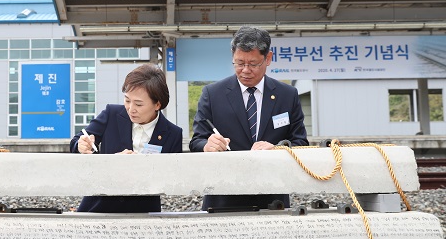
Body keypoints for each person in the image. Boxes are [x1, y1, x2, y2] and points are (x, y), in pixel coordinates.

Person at [189, 25, 308, 211]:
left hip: (273, 197)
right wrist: (207, 145)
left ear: (268, 58)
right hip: (223, 197)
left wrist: (278, 148)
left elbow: (301, 143)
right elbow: (196, 141)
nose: (245, 70)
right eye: (239, 63)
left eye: (253, 64)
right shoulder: (213, 94)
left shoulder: (287, 95)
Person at [70, 64, 183, 213]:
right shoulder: (112, 114)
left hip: (143, 214)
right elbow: (77, 141)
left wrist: (142, 166)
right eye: (127, 100)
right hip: (98, 207)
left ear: (157, 104)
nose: (131, 109)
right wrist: (81, 145)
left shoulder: (173, 133)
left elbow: (172, 179)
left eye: (138, 104)